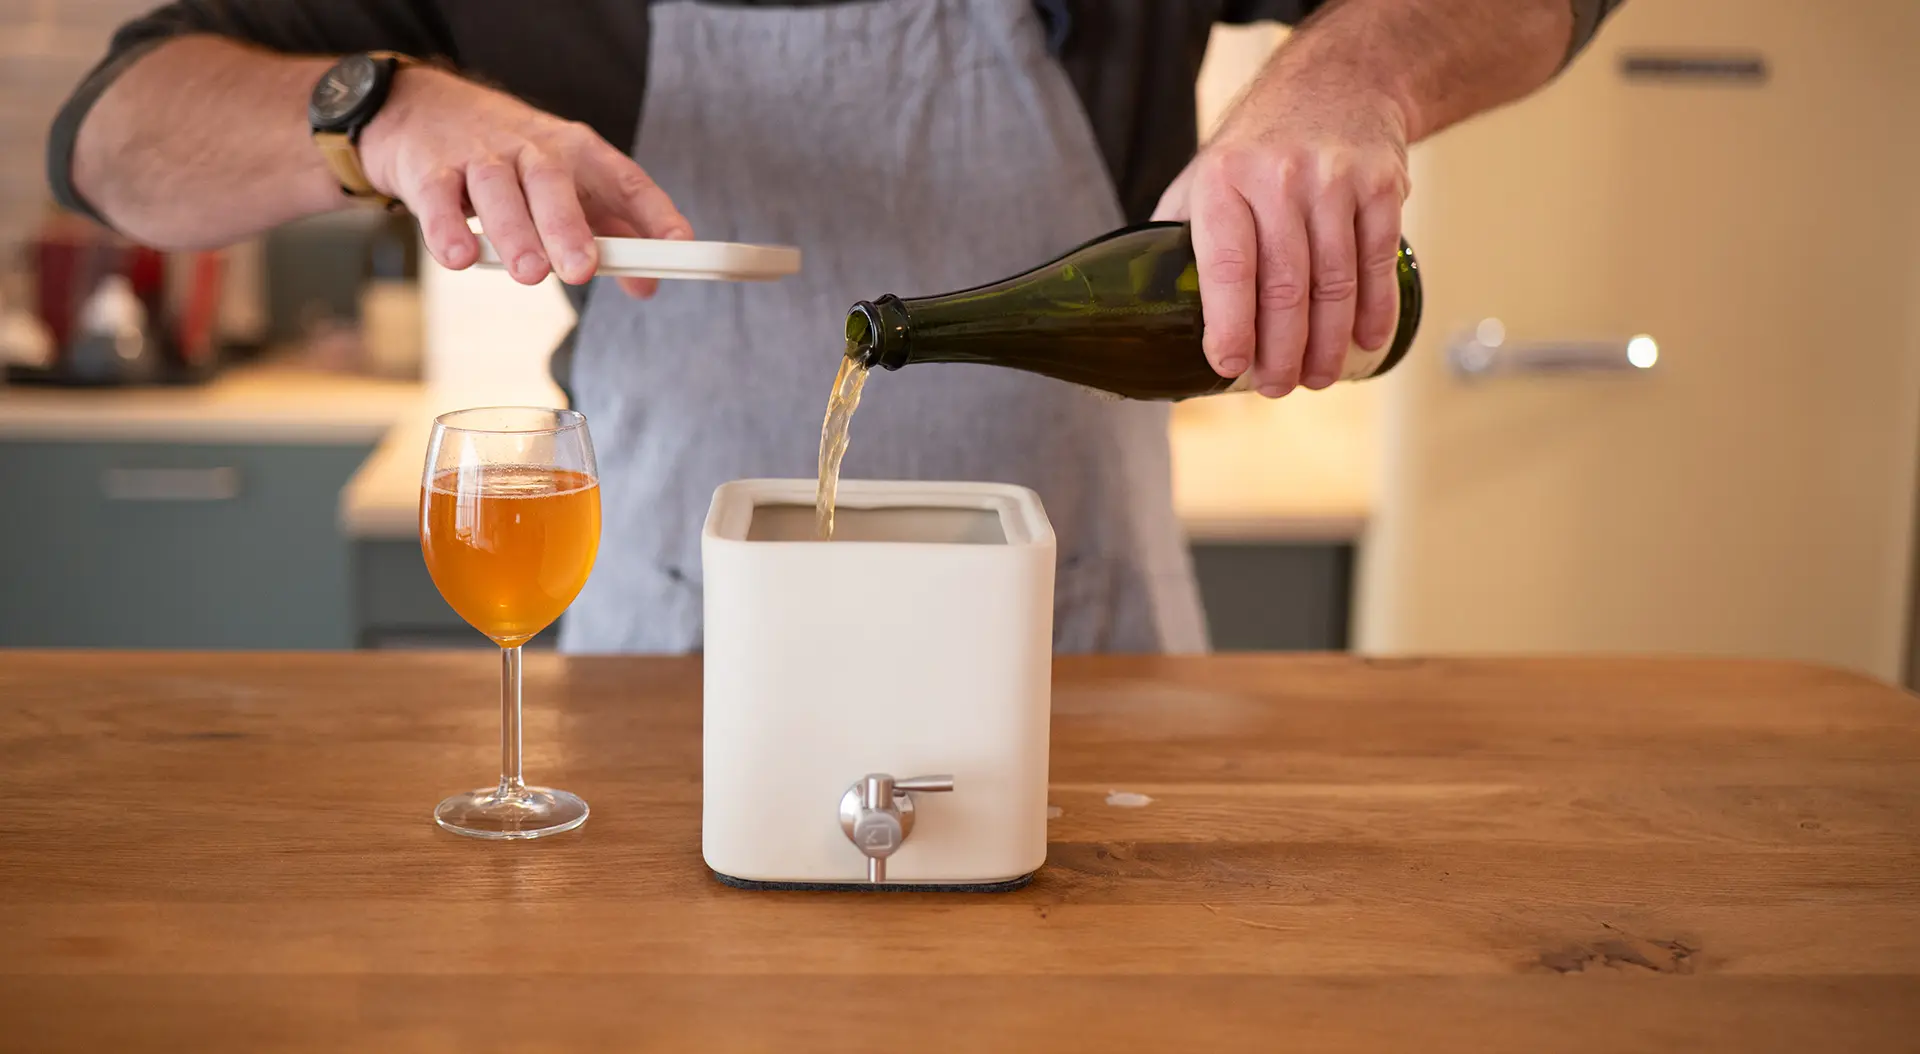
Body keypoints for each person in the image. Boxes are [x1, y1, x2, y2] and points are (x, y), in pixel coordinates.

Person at [50, 0, 1622, 654]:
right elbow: (116, 135)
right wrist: (377, 110)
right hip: (667, 657)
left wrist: (1353, 80)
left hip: (1075, 656)